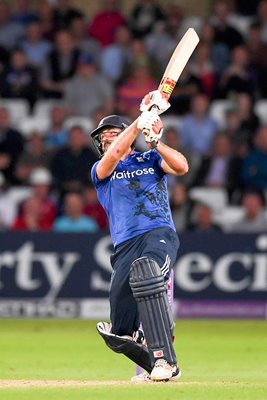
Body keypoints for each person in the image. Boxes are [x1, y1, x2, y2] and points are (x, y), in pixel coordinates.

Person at [90, 90, 188, 382]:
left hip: (157, 233)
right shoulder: (100, 171)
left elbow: (181, 166)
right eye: (103, 135)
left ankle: (164, 361)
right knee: (120, 333)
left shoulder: (150, 159)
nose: (106, 138)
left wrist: (156, 142)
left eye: (111, 133)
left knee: (148, 273)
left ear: (127, 136)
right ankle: (152, 364)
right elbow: (115, 155)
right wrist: (140, 119)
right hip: (124, 246)